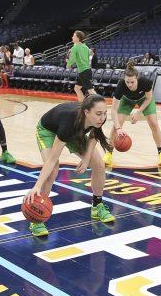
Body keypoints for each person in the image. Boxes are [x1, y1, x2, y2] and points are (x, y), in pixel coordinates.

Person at [29, 95, 115, 237]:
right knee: (52, 171)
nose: (102, 117)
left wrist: (87, 158)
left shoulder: (98, 117)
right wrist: (37, 186)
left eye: (105, 113)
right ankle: (36, 218)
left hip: (75, 132)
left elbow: (94, 134)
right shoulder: (70, 121)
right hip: (48, 131)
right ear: (87, 112)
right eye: (99, 114)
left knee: (99, 165)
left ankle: (97, 205)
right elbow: (52, 160)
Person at [105, 63, 161, 168]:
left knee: (154, 123)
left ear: (137, 78)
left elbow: (148, 98)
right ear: (124, 79)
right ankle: (109, 153)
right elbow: (113, 110)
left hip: (144, 100)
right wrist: (119, 128)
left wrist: (138, 112)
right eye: (127, 82)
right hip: (127, 101)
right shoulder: (121, 85)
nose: (130, 84)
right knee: (116, 125)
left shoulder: (146, 82)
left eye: (132, 82)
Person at [66, 30, 93, 100]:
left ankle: (100, 104)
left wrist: (68, 65)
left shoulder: (75, 48)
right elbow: (89, 57)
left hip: (83, 71)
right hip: (88, 70)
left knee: (91, 91)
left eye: (73, 36)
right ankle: (81, 104)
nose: (72, 37)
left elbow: (72, 59)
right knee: (77, 88)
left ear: (78, 38)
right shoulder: (86, 47)